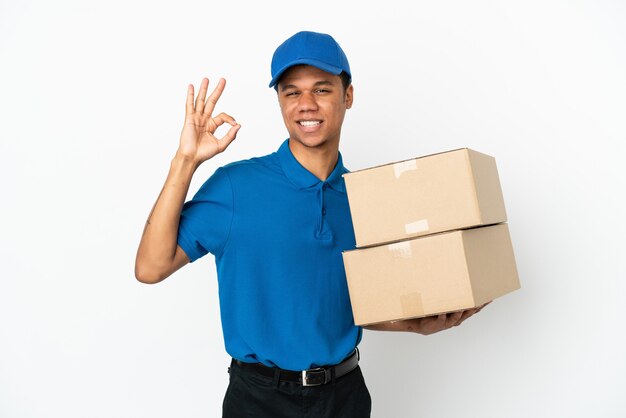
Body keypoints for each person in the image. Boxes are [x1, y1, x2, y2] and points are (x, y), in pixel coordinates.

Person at [135, 31, 486, 418]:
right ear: (280, 101)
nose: (306, 105)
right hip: (257, 401)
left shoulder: (368, 200)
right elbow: (151, 267)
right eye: (291, 92)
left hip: (344, 396)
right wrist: (185, 161)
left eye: (321, 89)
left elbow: (348, 307)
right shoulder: (236, 187)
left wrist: (415, 324)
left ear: (347, 96)